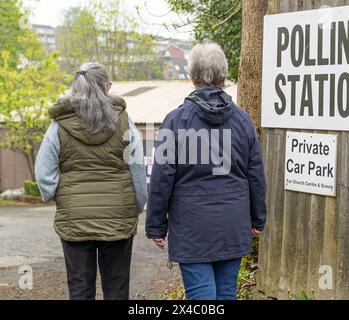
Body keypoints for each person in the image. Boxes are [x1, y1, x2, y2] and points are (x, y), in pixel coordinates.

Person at [146, 43, 267, 300]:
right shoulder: (242, 121)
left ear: (192, 77)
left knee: (201, 296)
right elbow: (255, 173)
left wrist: (157, 225)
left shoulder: (175, 121)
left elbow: (161, 178)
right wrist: (257, 218)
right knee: (225, 295)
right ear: (223, 77)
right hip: (233, 222)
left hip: (192, 227)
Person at [35, 62, 147, 300]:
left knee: (80, 288)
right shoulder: (125, 122)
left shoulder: (59, 125)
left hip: (74, 217)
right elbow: (137, 170)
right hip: (118, 216)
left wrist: (60, 196)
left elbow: (43, 172)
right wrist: (136, 208)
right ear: (106, 87)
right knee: (117, 288)